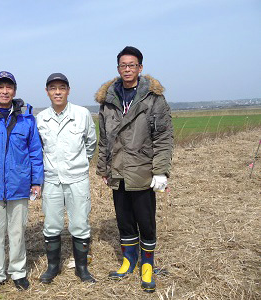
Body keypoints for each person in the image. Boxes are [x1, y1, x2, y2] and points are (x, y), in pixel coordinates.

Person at [95, 46, 173, 293]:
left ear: (140, 67)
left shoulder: (153, 99)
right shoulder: (109, 99)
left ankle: (147, 265)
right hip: (117, 170)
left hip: (142, 170)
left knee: (145, 221)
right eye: (122, 65)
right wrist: (104, 169)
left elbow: (163, 137)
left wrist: (160, 171)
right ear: (117, 68)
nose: (127, 69)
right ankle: (129, 260)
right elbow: (104, 137)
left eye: (132, 65)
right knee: (124, 219)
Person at [0, 71, 44, 293]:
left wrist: (36, 181)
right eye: (0, 87)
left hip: (19, 185)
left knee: (17, 232)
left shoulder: (27, 118)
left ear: (14, 90)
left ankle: (18, 272)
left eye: (9, 87)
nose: (5, 91)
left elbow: (35, 151)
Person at [36, 73, 97, 284]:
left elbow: (91, 143)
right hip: (51, 179)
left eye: (62, 87)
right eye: (53, 88)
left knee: (80, 224)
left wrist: (79, 163)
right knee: (52, 225)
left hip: (77, 179)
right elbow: (39, 148)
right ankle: (53, 267)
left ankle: (82, 268)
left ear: (68, 90)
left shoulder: (82, 114)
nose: (58, 92)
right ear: (47, 92)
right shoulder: (41, 118)